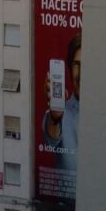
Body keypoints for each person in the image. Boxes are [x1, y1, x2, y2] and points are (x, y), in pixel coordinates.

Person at [42, 32, 80, 196]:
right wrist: (55, 117)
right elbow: (51, 137)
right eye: (77, 65)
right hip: (66, 208)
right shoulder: (61, 113)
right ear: (70, 69)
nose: (82, 73)